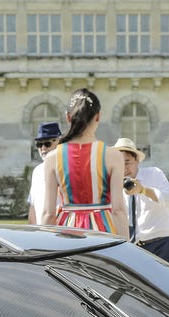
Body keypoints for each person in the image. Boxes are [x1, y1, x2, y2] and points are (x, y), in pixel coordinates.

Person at [42, 88, 125, 233]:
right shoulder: (113, 156)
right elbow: (118, 210)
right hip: (104, 232)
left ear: (68, 117)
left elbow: (48, 214)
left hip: (66, 231)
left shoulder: (53, 158)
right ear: (98, 116)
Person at [112, 137, 169, 263]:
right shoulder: (114, 184)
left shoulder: (154, 174)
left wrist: (143, 190)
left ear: (136, 160)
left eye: (126, 162)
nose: (123, 168)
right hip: (132, 247)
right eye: (118, 164)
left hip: (160, 244)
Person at [27, 121, 61, 224]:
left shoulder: (66, 169)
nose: (43, 148)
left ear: (59, 142)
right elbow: (33, 205)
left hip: (61, 231)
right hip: (41, 232)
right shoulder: (37, 171)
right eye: (39, 144)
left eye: (47, 143)